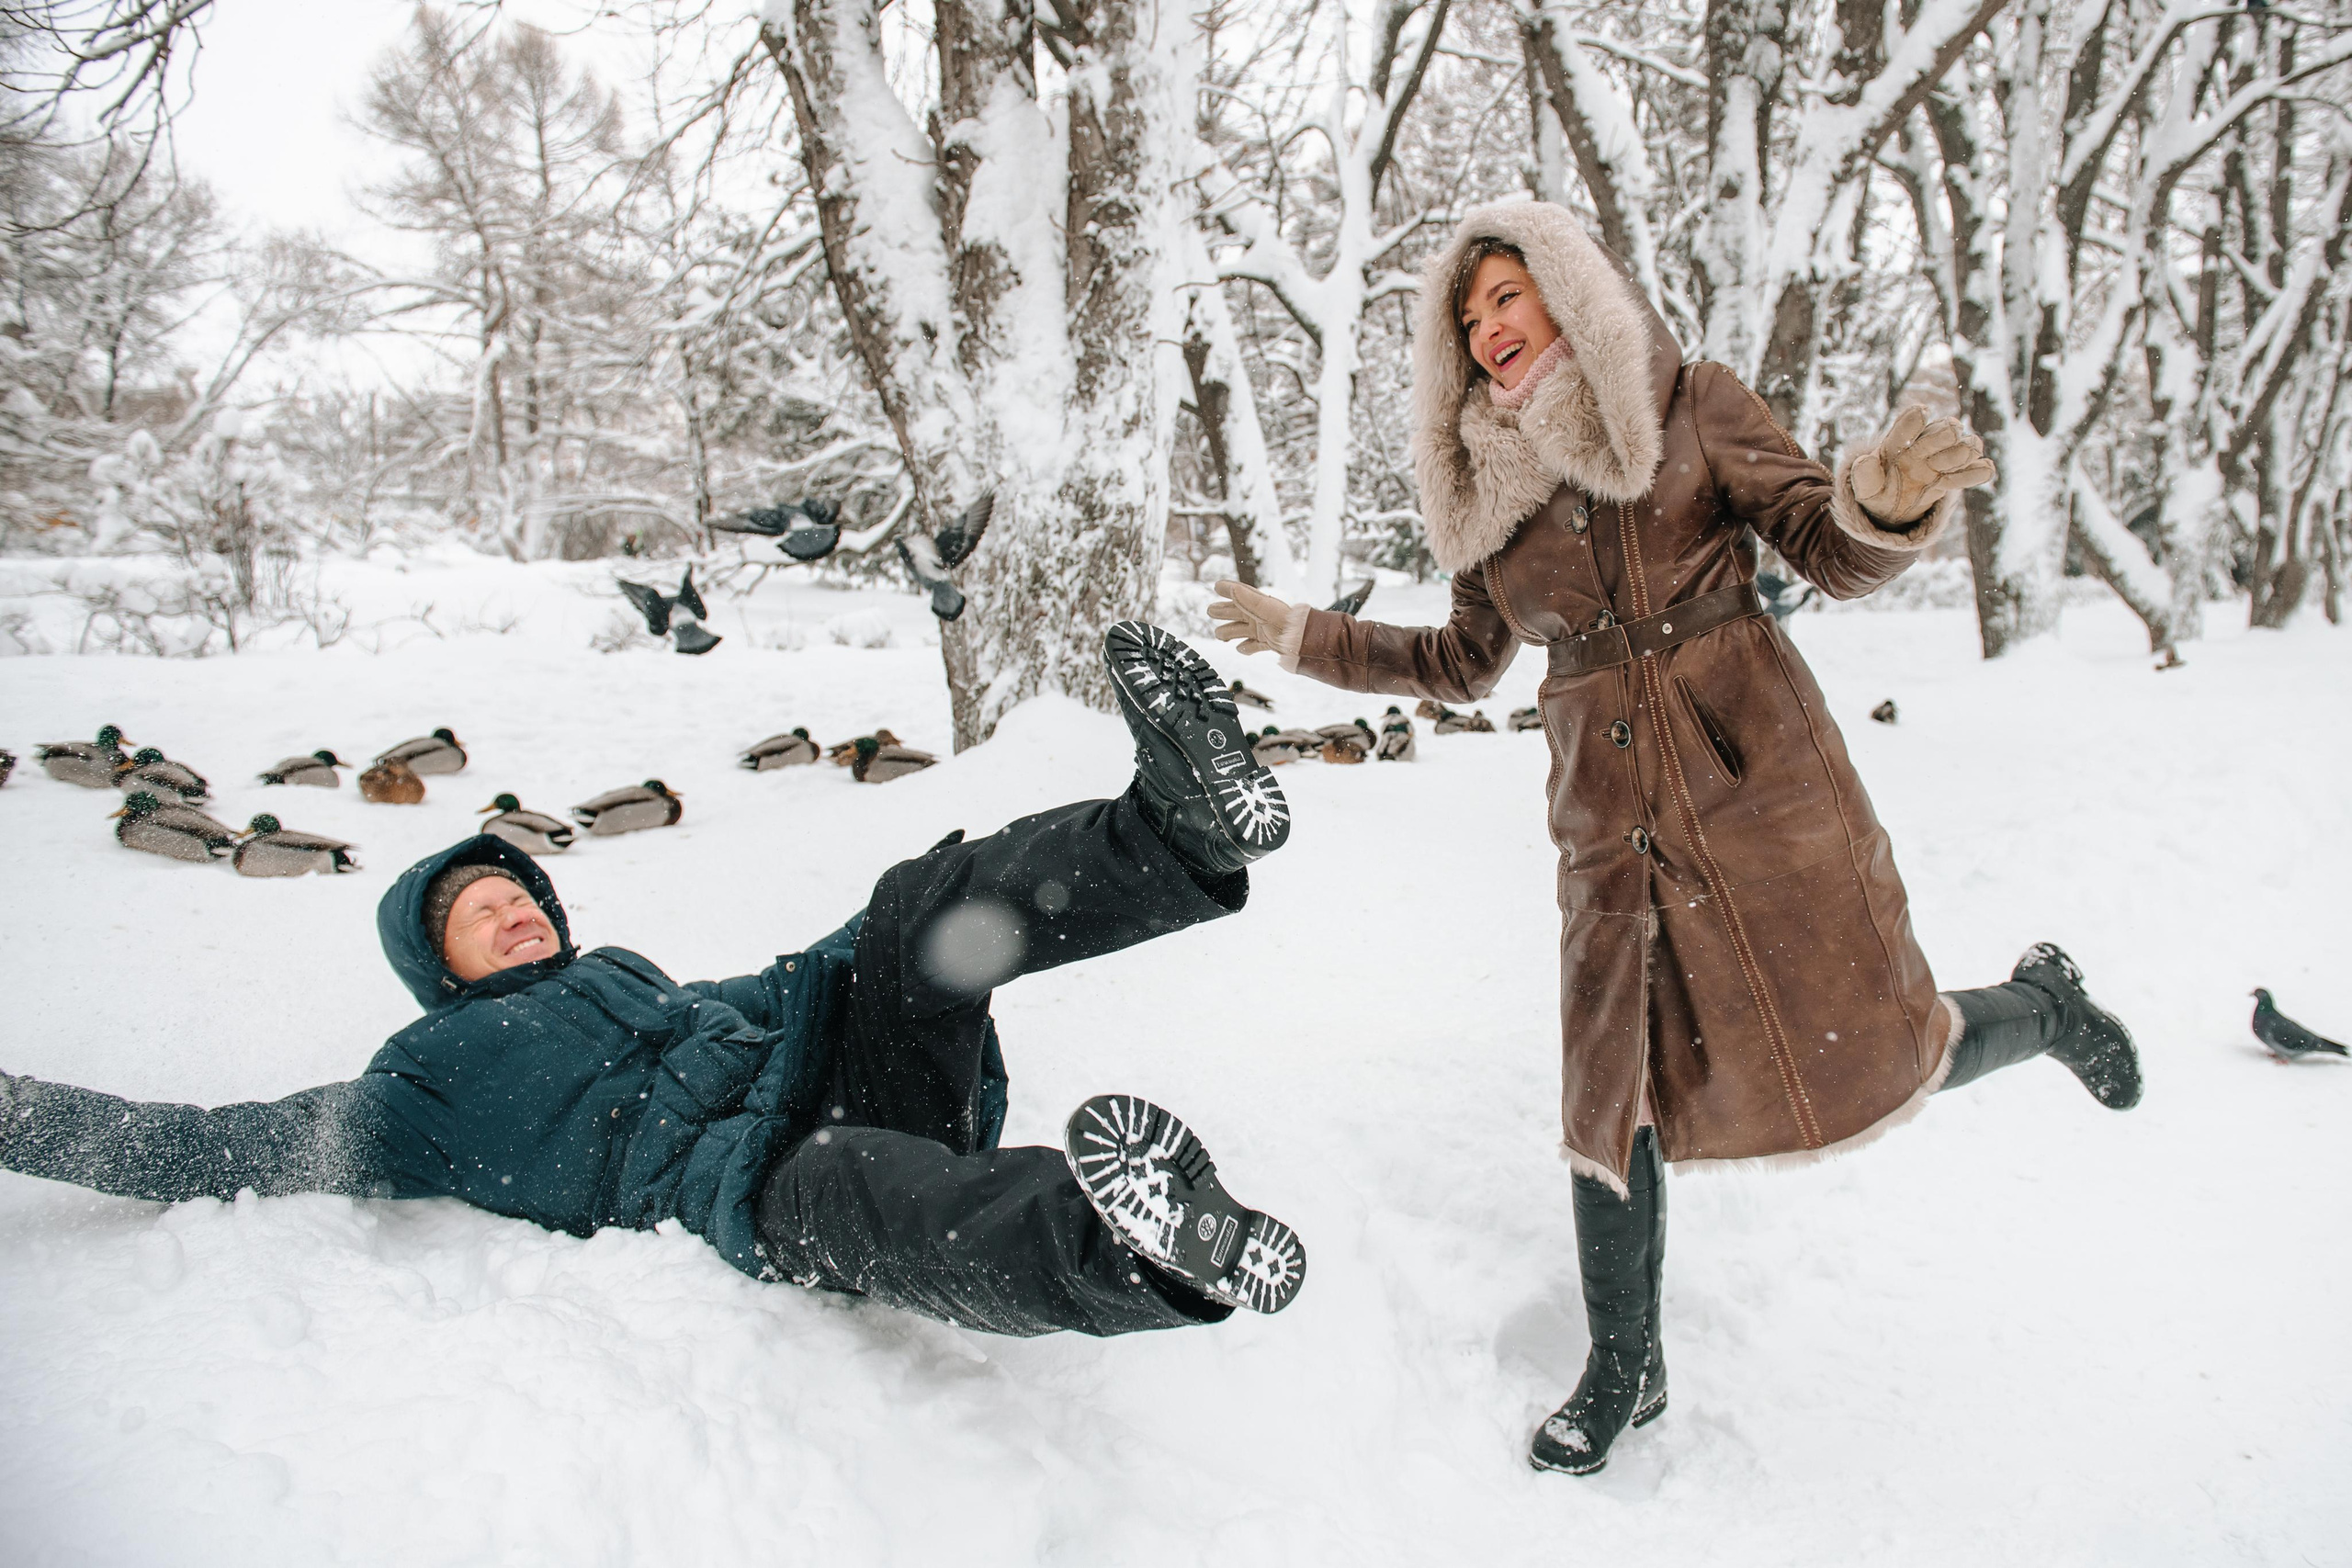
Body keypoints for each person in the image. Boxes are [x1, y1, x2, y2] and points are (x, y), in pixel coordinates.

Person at [1208, 200, 2143, 1473]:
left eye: (1506, 297)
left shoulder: (1693, 406)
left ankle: (2045, 1004)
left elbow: (1823, 546)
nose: (1486, 328)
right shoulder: (1489, 504)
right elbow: (1464, 660)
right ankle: (1625, 1365)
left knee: (1881, 1041)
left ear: (1569, 292)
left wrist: (1878, 503)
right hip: (1605, 820)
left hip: (1761, 788)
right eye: (1466, 315)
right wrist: (1304, 635)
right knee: (1609, 1089)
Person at [0, 623, 1306, 1335]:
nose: (511, 912)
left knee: (917, 914)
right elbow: (195, 1145)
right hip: (750, 1189)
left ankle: (1177, 831)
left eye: (515, 895)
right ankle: (1138, 1249)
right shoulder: (421, 1088)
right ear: (437, 973)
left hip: (829, 1078)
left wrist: (859, 953)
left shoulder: (628, 978)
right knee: (858, 1185)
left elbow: (759, 1000)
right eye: (477, 917)